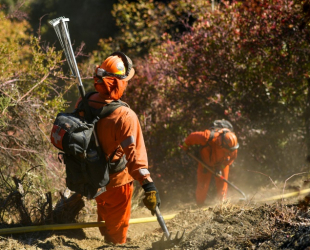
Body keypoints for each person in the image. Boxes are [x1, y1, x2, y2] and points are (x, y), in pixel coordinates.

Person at [74, 52, 160, 245]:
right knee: (118, 227)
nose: (127, 84)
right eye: (126, 80)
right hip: (116, 181)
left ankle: (107, 238)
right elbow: (135, 155)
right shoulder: (124, 115)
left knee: (104, 213)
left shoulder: (83, 102)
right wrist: (148, 186)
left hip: (92, 175)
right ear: (118, 82)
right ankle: (116, 243)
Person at [181, 122, 239, 206]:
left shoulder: (232, 146)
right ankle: (200, 205)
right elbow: (191, 137)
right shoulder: (207, 137)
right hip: (205, 163)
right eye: (227, 150)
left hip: (221, 164)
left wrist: (221, 167)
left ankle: (222, 205)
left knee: (222, 185)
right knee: (202, 185)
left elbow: (231, 159)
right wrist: (185, 146)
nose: (229, 152)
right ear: (221, 144)